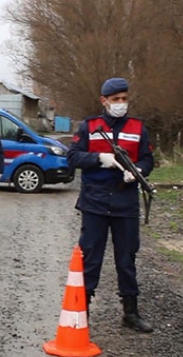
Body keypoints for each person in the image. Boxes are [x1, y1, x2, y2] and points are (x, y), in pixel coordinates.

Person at [66, 77, 155, 333]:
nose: (121, 104)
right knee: (91, 257)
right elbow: (73, 157)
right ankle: (81, 311)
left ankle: (131, 312)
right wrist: (98, 158)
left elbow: (149, 160)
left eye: (124, 99)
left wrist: (138, 170)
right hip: (95, 200)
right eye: (115, 100)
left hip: (125, 201)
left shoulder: (138, 128)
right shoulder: (89, 126)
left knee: (126, 258)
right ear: (104, 101)